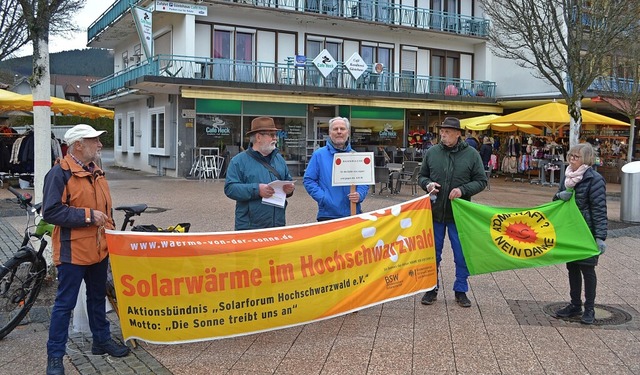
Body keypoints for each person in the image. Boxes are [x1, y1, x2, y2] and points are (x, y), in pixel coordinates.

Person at [42, 124, 129, 375]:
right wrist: (90, 216)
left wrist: (111, 233)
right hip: (73, 251)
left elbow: (107, 210)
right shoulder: (59, 173)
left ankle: (101, 341)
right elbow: (51, 211)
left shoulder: (97, 172)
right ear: (78, 145)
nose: (100, 145)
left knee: (96, 298)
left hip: (99, 249)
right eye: (94, 141)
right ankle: (55, 356)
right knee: (64, 304)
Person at [417, 117, 487, 308]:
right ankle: (431, 288)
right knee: (432, 253)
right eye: (442, 131)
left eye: (448, 132)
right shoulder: (432, 153)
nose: (443, 134)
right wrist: (427, 184)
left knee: (461, 253)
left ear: (458, 134)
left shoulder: (472, 155)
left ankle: (461, 289)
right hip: (435, 213)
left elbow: (482, 181)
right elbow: (421, 176)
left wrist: (463, 190)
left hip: (459, 216)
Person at [553, 143, 607, 325]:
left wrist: (600, 237)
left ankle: (589, 308)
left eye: (576, 157)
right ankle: (575, 304)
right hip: (570, 231)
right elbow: (555, 201)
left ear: (586, 159)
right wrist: (559, 196)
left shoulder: (594, 179)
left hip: (586, 231)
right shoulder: (567, 177)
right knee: (573, 268)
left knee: (587, 269)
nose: (572, 160)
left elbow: (599, 209)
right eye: (571, 156)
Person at [224, 117, 295, 230]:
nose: (275, 138)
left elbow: (288, 180)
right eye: (271, 135)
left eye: (276, 135)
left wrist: (289, 190)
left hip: (277, 225)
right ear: (258, 137)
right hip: (249, 227)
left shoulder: (279, 159)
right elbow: (230, 188)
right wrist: (257, 190)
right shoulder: (238, 161)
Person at [304, 116, 369, 221]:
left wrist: (360, 194)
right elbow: (309, 180)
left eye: (342, 129)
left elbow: (364, 181)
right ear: (330, 133)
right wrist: (323, 198)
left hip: (352, 213)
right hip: (328, 215)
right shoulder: (319, 155)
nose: (339, 132)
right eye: (335, 129)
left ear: (347, 133)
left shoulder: (355, 156)